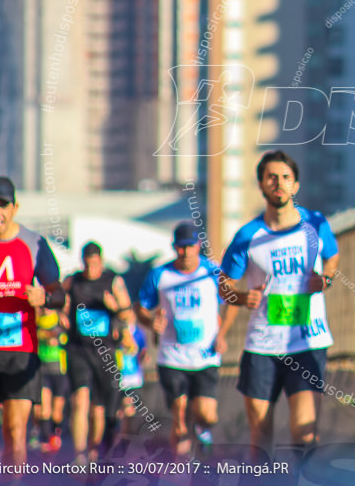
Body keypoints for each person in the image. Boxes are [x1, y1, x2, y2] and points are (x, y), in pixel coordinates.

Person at [218, 150, 339, 461]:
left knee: (306, 434)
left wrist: (325, 279)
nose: (279, 183)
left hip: (307, 341)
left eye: (286, 177)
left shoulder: (314, 223)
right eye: (272, 177)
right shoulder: (247, 236)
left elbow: (333, 257)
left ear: (295, 185)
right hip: (262, 347)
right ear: (261, 185)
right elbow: (225, 286)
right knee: (261, 438)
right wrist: (243, 297)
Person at [0, 176, 64, 466]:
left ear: (15, 207)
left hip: (20, 349)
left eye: (3, 206)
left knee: (15, 432)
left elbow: (60, 294)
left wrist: (44, 298)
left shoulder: (35, 244)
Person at [136, 222, 225, 457]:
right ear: (174, 247)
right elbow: (141, 308)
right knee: (179, 413)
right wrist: (150, 322)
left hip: (205, 356)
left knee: (207, 414)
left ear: (198, 246)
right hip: (172, 357)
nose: (185, 252)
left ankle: (202, 428)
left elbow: (229, 303)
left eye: (190, 246)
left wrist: (222, 334)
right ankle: (180, 468)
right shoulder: (160, 275)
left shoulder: (212, 272)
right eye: (181, 247)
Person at [63, 241, 132, 462]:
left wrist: (114, 307)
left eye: (95, 263)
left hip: (105, 352)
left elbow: (127, 315)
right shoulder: (73, 281)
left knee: (98, 408)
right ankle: (79, 455)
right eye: (87, 263)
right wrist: (62, 319)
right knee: (79, 400)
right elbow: (59, 305)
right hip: (78, 349)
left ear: (101, 261)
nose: (91, 268)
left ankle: (94, 452)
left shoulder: (113, 281)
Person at [33, 307, 68, 454]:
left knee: (57, 411)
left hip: (59, 369)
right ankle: (45, 439)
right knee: (44, 407)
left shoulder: (60, 318)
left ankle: (56, 432)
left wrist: (54, 336)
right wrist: (47, 335)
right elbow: (36, 334)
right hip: (43, 368)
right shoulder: (38, 318)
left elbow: (64, 337)